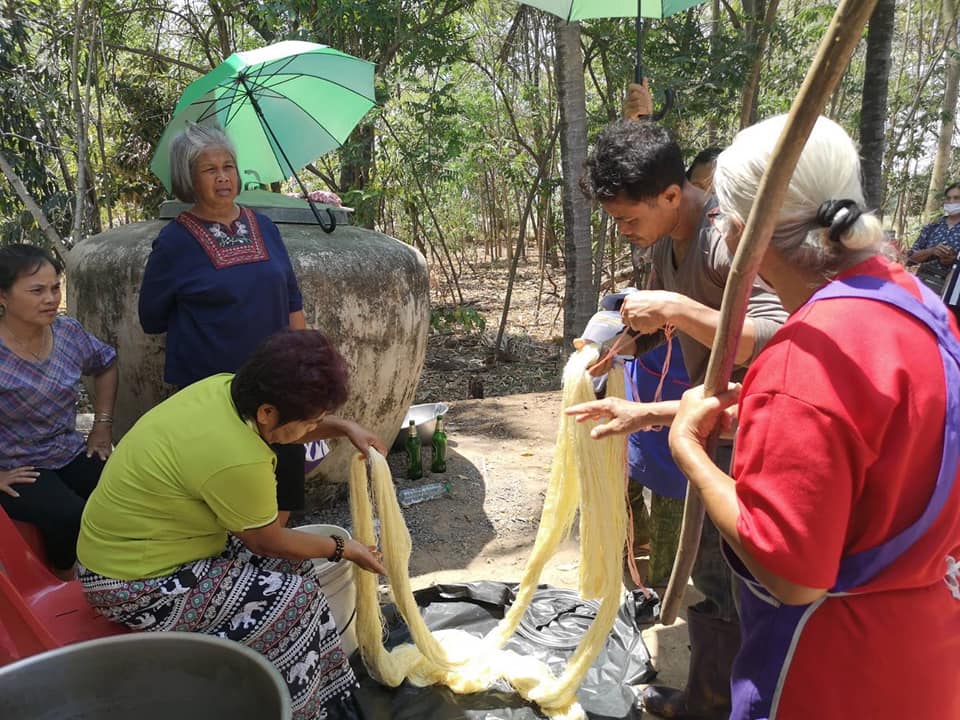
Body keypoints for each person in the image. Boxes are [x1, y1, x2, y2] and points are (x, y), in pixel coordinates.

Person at [669, 115, 960, 719]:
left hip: (830, 670)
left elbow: (793, 575)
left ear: (747, 231)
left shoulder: (803, 357)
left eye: (721, 213)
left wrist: (691, 456)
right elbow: (885, 432)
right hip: (924, 647)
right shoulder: (916, 303)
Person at [571, 119, 788, 719]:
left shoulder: (726, 241)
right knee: (716, 578)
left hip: (756, 441)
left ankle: (735, 703)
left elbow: (777, 335)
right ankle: (709, 698)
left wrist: (678, 305)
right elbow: (663, 329)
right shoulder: (670, 243)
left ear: (671, 195)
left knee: (743, 582)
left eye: (628, 218)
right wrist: (614, 346)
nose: (624, 230)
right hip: (716, 427)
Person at [77, 329, 387, 720]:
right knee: (295, 600)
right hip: (131, 582)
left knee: (295, 569)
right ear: (267, 413)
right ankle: (294, 709)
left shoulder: (226, 388)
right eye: (312, 422)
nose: (313, 431)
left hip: (148, 546)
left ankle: (318, 689)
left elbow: (288, 429)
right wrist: (345, 548)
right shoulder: (238, 458)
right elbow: (266, 542)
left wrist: (343, 428)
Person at [138, 123, 372, 525]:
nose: (223, 176)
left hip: (280, 386)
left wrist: (310, 371)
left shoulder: (263, 226)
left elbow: (291, 298)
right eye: (209, 169)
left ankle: (277, 563)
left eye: (228, 165)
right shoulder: (175, 243)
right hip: (215, 394)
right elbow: (151, 317)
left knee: (282, 490)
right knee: (233, 504)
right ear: (188, 178)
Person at [0, 244, 118, 579]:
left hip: (66, 449)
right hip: (15, 464)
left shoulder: (68, 333)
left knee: (124, 486)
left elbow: (106, 364)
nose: (51, 298)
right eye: (37, 291)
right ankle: (66, 580)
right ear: (3, 297)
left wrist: (102, 426)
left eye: (55, 288)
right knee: (71, 515)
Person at [907, 182, 960, 297]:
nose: (951, 202)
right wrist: (932, 251)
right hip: (924, 284)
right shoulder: (932, 227)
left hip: (953, 290)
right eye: (948, 198)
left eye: (956, 198)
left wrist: (954, 259)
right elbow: (910, 258)